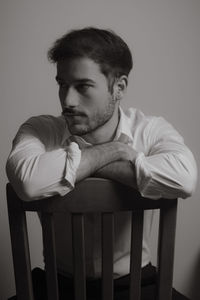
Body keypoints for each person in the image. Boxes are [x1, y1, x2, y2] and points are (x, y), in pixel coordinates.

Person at [6, 27, 197, 298]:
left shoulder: (150, 130)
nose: (67, 100)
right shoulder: (41, 129)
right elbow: (27, 182)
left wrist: (84, 164)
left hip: (139, 288)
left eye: (82, 86)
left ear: (119, 87)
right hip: (55, 289)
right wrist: (112, 152)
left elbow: (185, 179)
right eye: (62, 84)